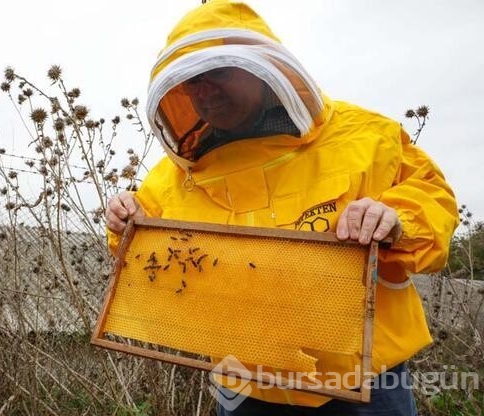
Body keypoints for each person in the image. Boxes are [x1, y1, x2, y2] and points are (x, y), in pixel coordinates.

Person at [105, 1, 459, 414]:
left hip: (363, 381)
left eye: (217, 72)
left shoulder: (367, 137)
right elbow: (147, 253)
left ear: (259, 66)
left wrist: (397, 219)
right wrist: (122, 220)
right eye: (192, 83)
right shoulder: (176, 173)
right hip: (243, 385)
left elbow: (433, 201)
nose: (205, 92)